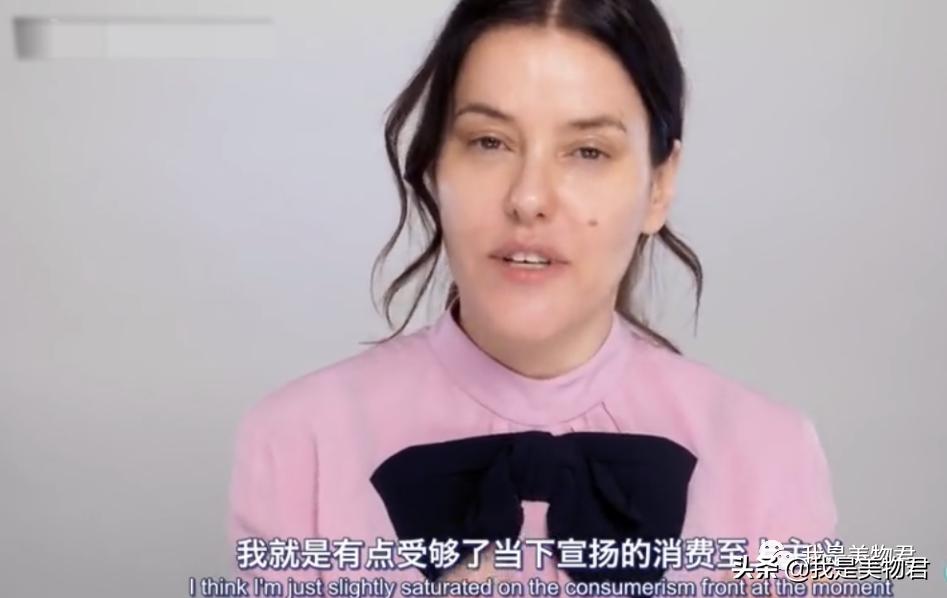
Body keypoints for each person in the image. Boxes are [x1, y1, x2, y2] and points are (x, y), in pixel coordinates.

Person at [227, 0, 837, 593]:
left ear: (659, 186)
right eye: (489, 142)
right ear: (436, 164)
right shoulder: (296, 442)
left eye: (588, 151)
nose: (528, 198)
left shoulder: (771, 455)